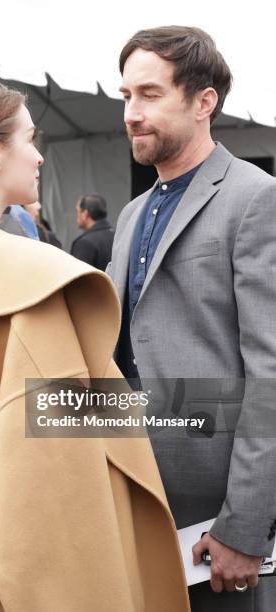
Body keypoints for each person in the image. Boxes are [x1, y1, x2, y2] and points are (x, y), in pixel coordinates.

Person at [0, 77, 190, 612]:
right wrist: (208, 411)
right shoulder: (34, 283)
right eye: (29, 139)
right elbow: (50, 513)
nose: (41, 155)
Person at [108, 25, 276, 611]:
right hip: (135, 501)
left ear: (204, 101)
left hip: (215, 527)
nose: (131, 112)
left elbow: (269, 373)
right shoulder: (131, 215)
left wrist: (245, 526)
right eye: (126, 95)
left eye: (149, 94)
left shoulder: (256, 197)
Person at [71, 194, 114, 270]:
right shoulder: (117, 237)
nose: (77, 216)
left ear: (85, 214)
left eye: (78, 211)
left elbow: (79, 278)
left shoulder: (84, 243)